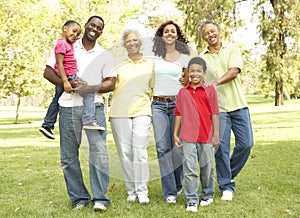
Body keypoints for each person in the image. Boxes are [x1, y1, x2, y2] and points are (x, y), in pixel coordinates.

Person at [43, 15, 116, 211]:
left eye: (99, 27)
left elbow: (111, 82)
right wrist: (67, 84)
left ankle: (100, 198)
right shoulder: (68, 45)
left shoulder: (105, 54)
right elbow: (48, 72)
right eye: (92, 25)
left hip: (95, 108)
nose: (95, 29)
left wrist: (91, 88)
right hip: (68, 107)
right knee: (68, 156)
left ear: (101, 31)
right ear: (85, 26)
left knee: (99, 154)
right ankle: (79, 198)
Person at [199, 21, 253, 201]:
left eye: (213, 31)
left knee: (246, 144)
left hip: (238, 105)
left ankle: (226, 173)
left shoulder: (232, 49)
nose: (210, 34)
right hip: (218, 109)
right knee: (220, 148)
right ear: (203, 37)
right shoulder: (202, 57)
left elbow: (233, 72)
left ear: (219, 32)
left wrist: (214, 83)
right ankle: (226, 186)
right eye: (206, 33)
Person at [109, 29, 154, 204]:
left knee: (139, 150)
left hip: (142, 110)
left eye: (135, 40)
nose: (132, 43)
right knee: (125, 153)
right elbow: (110, 84)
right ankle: (132, 190)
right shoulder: (118, 63)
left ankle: (142, 191)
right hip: (119, 112)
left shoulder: (149, 63)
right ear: (124, 44)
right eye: (128, 41)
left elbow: (153, 86)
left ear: (140, 42)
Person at [39, 20, 104, 140]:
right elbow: (58, 63)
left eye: (77, 34)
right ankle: (89, 120)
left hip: (66, 77)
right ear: (65, 28)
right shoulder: (63, 44)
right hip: (68, 76)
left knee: (56, 100)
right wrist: (65, 82)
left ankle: (47, 125)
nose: (75, 36)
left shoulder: (67, 44)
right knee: (89, 91)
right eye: (73, 32)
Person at [174, 57, 219, 213]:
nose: (195, 74)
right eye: (192, 71)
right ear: (187, 72)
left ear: (204, 73)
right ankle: (192, 200)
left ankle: (207, 194)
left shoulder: (210, 90)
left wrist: (216, 135)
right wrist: (175, 133)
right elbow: (178, 113)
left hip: (206, 136)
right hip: (188, 136)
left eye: (198, 71)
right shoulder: (182, 92)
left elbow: (215, 113)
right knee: (190, 169)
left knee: (207, 168)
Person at [151, 20, 190, 203]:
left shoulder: (184, 56)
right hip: (158, 104)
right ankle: (170, 192)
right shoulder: (154, 55)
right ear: (161, 34)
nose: (169, 33)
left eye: (173, 31)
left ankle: (177, 184)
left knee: (177, 148)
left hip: (178, 104)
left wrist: (186, 81)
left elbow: (191, 79)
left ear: (177, 35)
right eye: (166, 31)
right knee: (162, 147)